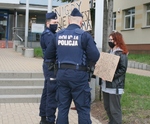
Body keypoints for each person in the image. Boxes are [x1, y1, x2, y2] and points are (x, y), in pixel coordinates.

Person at [45, 8, 100, 124]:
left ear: (69, 21)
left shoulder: (58, 35)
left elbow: (48, 55)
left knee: (63, 108)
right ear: (81, 22)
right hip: (79, 76)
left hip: (62, 76)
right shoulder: (84, 36)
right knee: (83, 109)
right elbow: (95, 56)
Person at [101, 31, 128, 124]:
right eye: (109, 39)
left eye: (111, 39)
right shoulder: (109, 52)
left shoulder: (122, 53)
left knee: (115, 110)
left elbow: (122, 69)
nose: (110, 41)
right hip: (106, 85)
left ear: (117, 40)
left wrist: (110, 76)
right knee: (107, 107)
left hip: (115, 86)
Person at [39, 11, 58, 124]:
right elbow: (54, 50)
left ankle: (44, 116)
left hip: (49, 65)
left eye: (57, 22)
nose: (56, 24)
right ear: (48, 23)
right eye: (54, 22)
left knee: (47, 91)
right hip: (50, 66)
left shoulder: (51, 34)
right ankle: (47, 118)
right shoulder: (48, 35)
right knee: (50, 92)